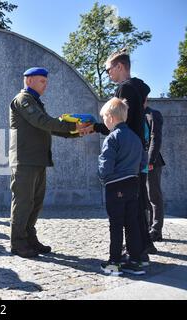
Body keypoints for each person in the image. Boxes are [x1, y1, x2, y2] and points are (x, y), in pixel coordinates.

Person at [9, 67, 90, 258]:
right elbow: (42, 122)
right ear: (28, 81)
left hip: (37, 160)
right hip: (25, 160)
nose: (46, 85)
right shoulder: (23, 100)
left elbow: (48, 128)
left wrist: (78, 132)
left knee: (35, 203)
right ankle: (18, 243)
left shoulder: (36, 102)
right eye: (42, 81)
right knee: (23, 202)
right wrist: (72, 126)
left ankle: (29, 238)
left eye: (46, 82)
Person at [88, 49, 157, 263]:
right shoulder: (136, 87)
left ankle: (131, 253)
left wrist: (96, 128)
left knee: (127, 216)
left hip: (124, 161)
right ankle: (142, 249)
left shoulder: (125, 88)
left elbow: (117, 123)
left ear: (120, 66)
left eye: (109, 69)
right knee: (136, 208)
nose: (108, 73)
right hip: (135, 154)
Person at [98, 98, 146, 276]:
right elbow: (143, 162)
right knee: (132, 223)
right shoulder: (135, 137)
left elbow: (106, 164)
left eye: (104, 118)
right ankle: (135, 261)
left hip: (115, 184)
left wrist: (103, 176)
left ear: (110, 117)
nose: (104, 121)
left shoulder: (112, 138)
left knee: (116, 224)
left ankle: (114, 262)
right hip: (133, 183)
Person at [144, 101, 166, 242]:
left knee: (154, 196)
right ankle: (148, 228)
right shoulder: (135, 115)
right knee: (144, 198)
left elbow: (156, 139)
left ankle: (156, 230)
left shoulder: (154, 114)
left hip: (151, 162)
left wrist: (150, 161)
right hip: (139, 161)